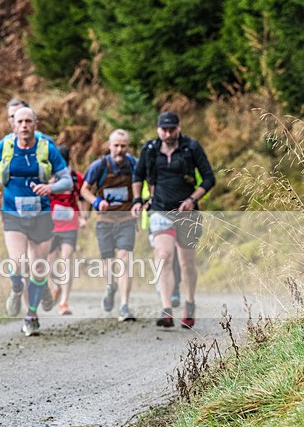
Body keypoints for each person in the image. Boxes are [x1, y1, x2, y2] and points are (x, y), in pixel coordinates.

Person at [0, 107, 72, 336]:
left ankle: (31, 315)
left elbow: (67, 181)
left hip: (41, 214)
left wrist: (50, 187)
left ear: (35, 123)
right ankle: (16, 287)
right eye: (20, 121)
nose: (24, 125)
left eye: (28, 121)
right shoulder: (4, 147)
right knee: (18, 262)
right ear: (13, 124)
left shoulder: (46, 148)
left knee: (39, 268)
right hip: (13, 212)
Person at [131, 111, 215, 328]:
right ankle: (166, 309)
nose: (167, 134)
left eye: (172, 129)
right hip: (159, 210)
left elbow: (209, 178)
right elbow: (137, 176)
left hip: (186, 211)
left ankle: (189, 303)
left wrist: (191, 200)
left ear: (179, 127)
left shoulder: (191, 148)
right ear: (158, 129)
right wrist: (137, 200)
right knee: (164, 255)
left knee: (186, 263)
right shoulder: (150, 150)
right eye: (164, 130)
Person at [80, 129, 139, 322]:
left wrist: (141, 202)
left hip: (126, 220)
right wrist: (97, 202)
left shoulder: (134, 165)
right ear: (109, 145)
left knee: (124, 259)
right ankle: (110, 284)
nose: (120, 149)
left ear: (128, 146)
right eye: (116, 145)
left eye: (123, 146)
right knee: (109, 264)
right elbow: (84, 190)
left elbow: (146, 183)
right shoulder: (99, 166)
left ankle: (124, 305)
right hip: (105, 221)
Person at [47, 145, 87, 315]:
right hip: (49, 225)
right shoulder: (47, 177)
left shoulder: (76, 178)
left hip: (70, 225)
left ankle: (64, 302)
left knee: (66, 259)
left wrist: (84, 216)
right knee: (49, 265)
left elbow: (83, 197)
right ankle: (56, 285)